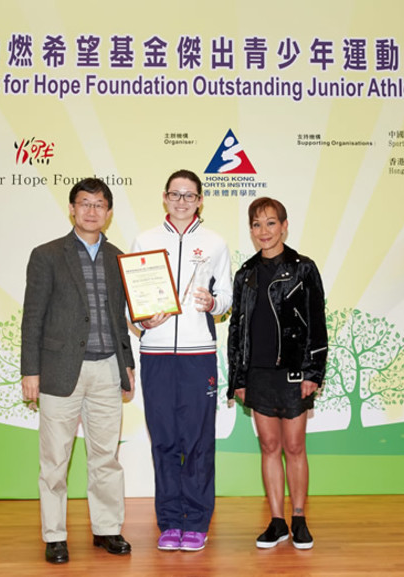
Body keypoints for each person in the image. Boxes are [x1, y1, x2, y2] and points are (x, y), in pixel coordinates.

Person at [20, 178, 136, 563]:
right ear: (72, 208)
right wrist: (30, 370)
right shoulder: (47, 255)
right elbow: (32, 317)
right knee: (55, 459)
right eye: (84, 203)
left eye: (99, 204)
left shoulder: (119, 258)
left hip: (106, 369)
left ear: (108, 212)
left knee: (106, 455)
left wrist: (128, 363)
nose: (91, 211)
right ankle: (54, 535)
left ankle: (107, 529)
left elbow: (121, 319)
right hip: (59, 370)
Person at [131, 169, 232, 552]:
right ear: (164, 197)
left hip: (198, 354)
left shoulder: (215, 243)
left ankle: (198, 521)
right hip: (155, 354)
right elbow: (133, 299)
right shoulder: (145, 239)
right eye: (176, 194)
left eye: (190, 196)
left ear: (201, 200)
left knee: (199, 441)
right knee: (164, 440)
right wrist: (143, 319)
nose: (182, 201)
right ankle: (170, 522)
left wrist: (214, 303)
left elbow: (225, 296)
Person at [227, 197, 328, 550]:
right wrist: (237, 378)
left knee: (295, 446)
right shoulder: (246, 274)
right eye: (256, 224)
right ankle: (277, 521)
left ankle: (299, 518)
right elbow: (237, 331)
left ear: (284, 226)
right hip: (258, 374)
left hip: (294, 373)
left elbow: (318, 324)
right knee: (269, 446)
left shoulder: (304, 268)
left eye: (271, 223)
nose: (264, 231)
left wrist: (314, 371)